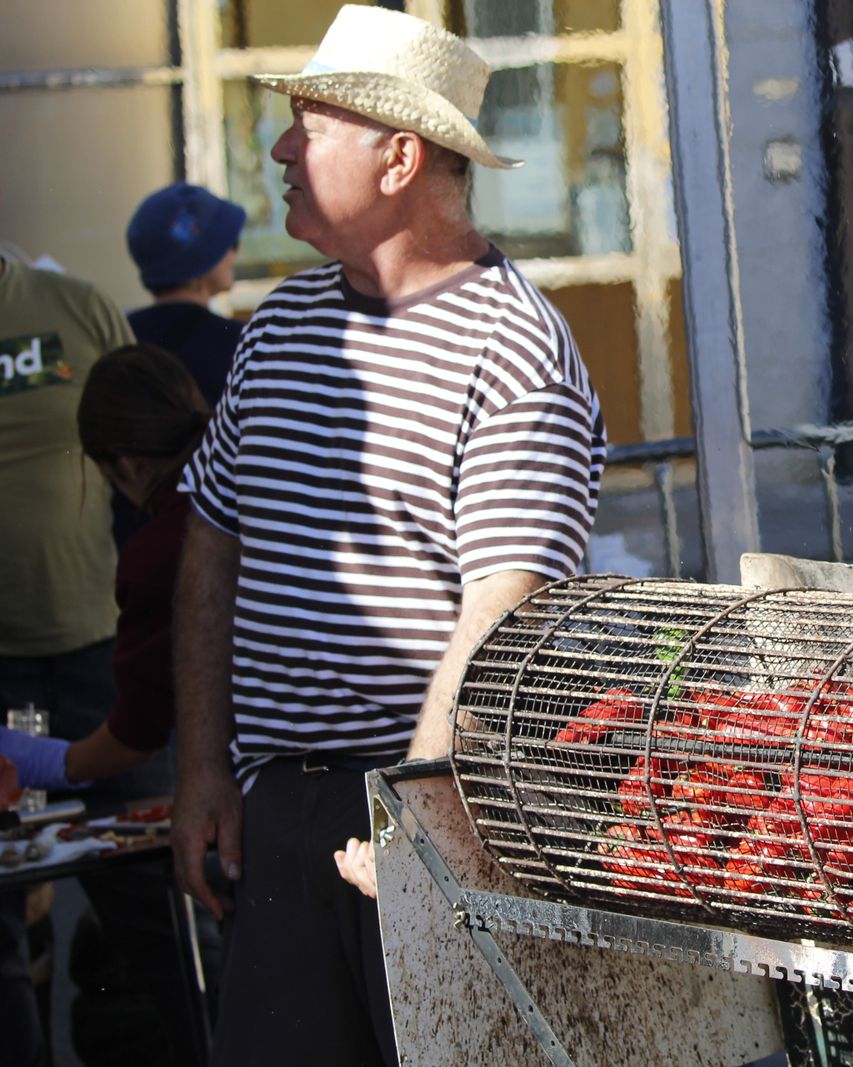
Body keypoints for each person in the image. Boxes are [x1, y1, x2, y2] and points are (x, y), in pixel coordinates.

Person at [170, 6, 606, 1065]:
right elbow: (210, 550)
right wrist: (201, 770)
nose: (279, 150)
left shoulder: (515, 347)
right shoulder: (276, 328)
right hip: (284, 802)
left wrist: (416, 817)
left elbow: (503, 607)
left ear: (400, 155)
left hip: (433, 807)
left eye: (309, 126)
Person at [0, 251, 134, 1067]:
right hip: (1, 673)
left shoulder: (71, 306)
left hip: (101, 653)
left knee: (150, 894)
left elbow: (162, 462)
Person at [0, 343, 208, 787]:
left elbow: (139, 731)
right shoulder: (259, 486)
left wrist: (48, 763)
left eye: (109, 479)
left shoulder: (161, 552)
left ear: (128, 465)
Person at [124, 183, 245, 407]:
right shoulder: (238, 345)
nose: (235, 252)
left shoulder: (122, 337)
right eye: (229, 243)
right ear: (201, 259)